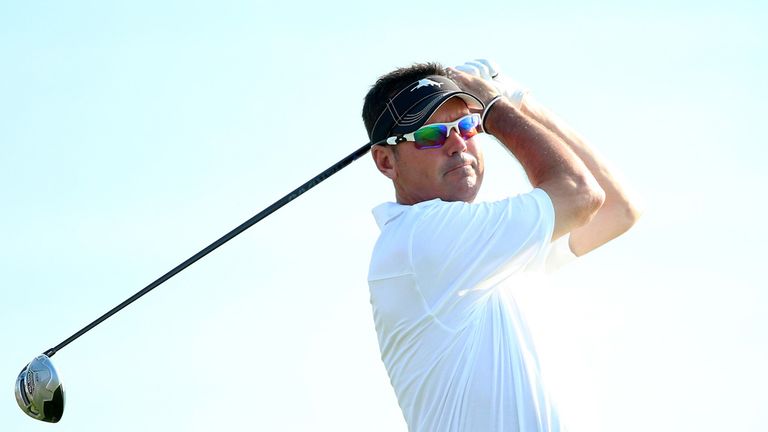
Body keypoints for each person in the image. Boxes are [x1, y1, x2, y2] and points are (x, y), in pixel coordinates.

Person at [362, 60, 639, 432]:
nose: (458, 144)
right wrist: (496, 107)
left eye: (467, 126)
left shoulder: (483, 246)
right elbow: (579, 194)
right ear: (385, 161)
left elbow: (617, 210)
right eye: (430, 135)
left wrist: (522, 103)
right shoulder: (420, 237)